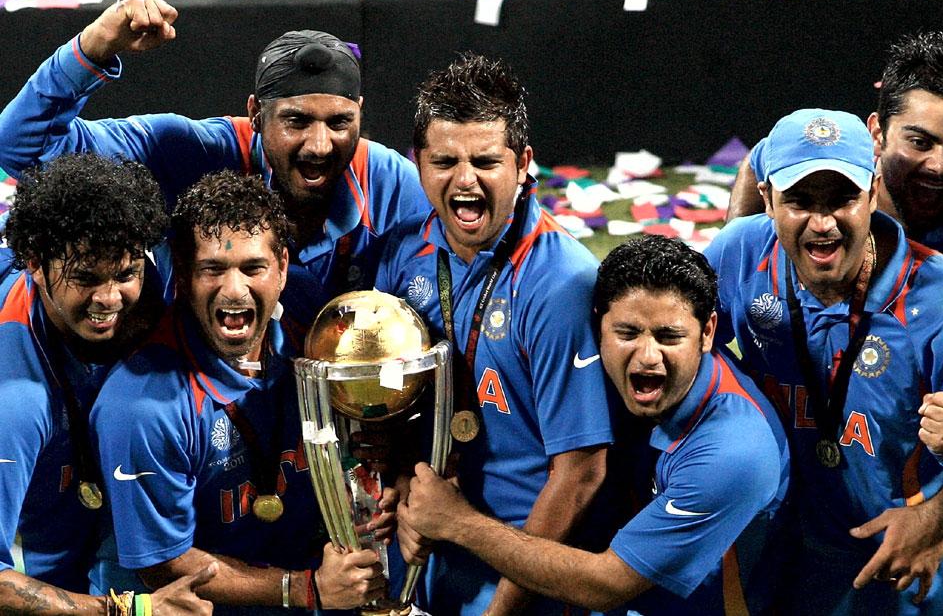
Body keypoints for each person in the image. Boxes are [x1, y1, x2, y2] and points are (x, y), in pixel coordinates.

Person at [705, 108, 943, 614]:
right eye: (799, 201)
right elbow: (681, 346)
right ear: (768, 200)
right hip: (798, 562)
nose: (823, 224)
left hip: (915, 573)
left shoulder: (942, 299)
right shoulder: (742, 254)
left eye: (842, 199)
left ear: (873, 193)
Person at [398, 235, 789, 614]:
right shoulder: (603, 373)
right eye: (627, 333)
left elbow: (607, 584)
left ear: (707, 333)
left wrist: (459, 523)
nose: (648, 356)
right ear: (599, 325)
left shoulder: (734, 451)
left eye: (669, 337)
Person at [0, 0, 429, 324]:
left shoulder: (389, 182)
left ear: (360, 114)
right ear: (255, 114)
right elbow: (21, 148)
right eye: (296, 121)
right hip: (198, 388)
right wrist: (92, 47)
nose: (319, 145)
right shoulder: (194, 153)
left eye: (339, 123)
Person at [374, 54, 614, 615]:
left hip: (523, 575)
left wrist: (502, 610)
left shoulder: (559, 282)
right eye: (445, 161)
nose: (465, 180)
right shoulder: (402, 254)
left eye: (485, 161)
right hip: (428, 552)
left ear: (523, 163)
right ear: (418, 163)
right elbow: (390, 401)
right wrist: (404, 486)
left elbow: (580, 474)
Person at [90, 171, 386, 612]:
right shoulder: (139, 407)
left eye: (253, 268)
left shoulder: (308, 316)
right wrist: (305, 588)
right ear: (184, 274)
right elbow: (164, 564)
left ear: (282, 267)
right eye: (212, 269)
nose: (233, 290)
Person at [0, 153, 214, 614]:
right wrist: (129, 611)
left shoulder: (154, 284)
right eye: (85, 278)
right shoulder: (14, 404)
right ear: (34, 263)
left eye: (125, 274)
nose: (109, 298)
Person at [726, 33, 943, 274]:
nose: (939, 166)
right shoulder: (834, 161)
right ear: (877, 134)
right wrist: (736, 250)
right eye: (920, 142)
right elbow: (758, 160)